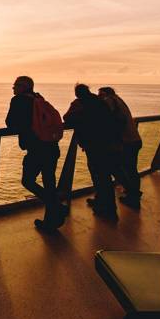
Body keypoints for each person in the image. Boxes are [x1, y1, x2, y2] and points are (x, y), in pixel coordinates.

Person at [5, 76, 65, 231]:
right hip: (51, 146)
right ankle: (51, 220)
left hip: (36, 149)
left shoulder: (19, 100)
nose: (13, 88)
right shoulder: (38, 98)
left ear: (24, 86)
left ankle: (55, 208)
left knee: (27, 180)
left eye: (16, 85)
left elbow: (10, 123)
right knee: (49, 183)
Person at [63, 83, 122, 220]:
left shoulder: (79, 103)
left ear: (78, 93)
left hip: (93, 144)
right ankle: (106, 205)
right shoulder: (99, 101)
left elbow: (67, 118)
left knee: (98, 174)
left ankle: (106, 208)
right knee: (105, 176)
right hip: (107, 142)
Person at [98, 87, 143, 209]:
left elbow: (116, 120)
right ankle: (134, 193)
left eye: (100, 94)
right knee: (131, 170)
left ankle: (132, 195)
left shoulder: (110, 101)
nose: (99, 97)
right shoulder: (119, 100)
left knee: (120, 168)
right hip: (134, 139)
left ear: (106, 94)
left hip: (127, 142)